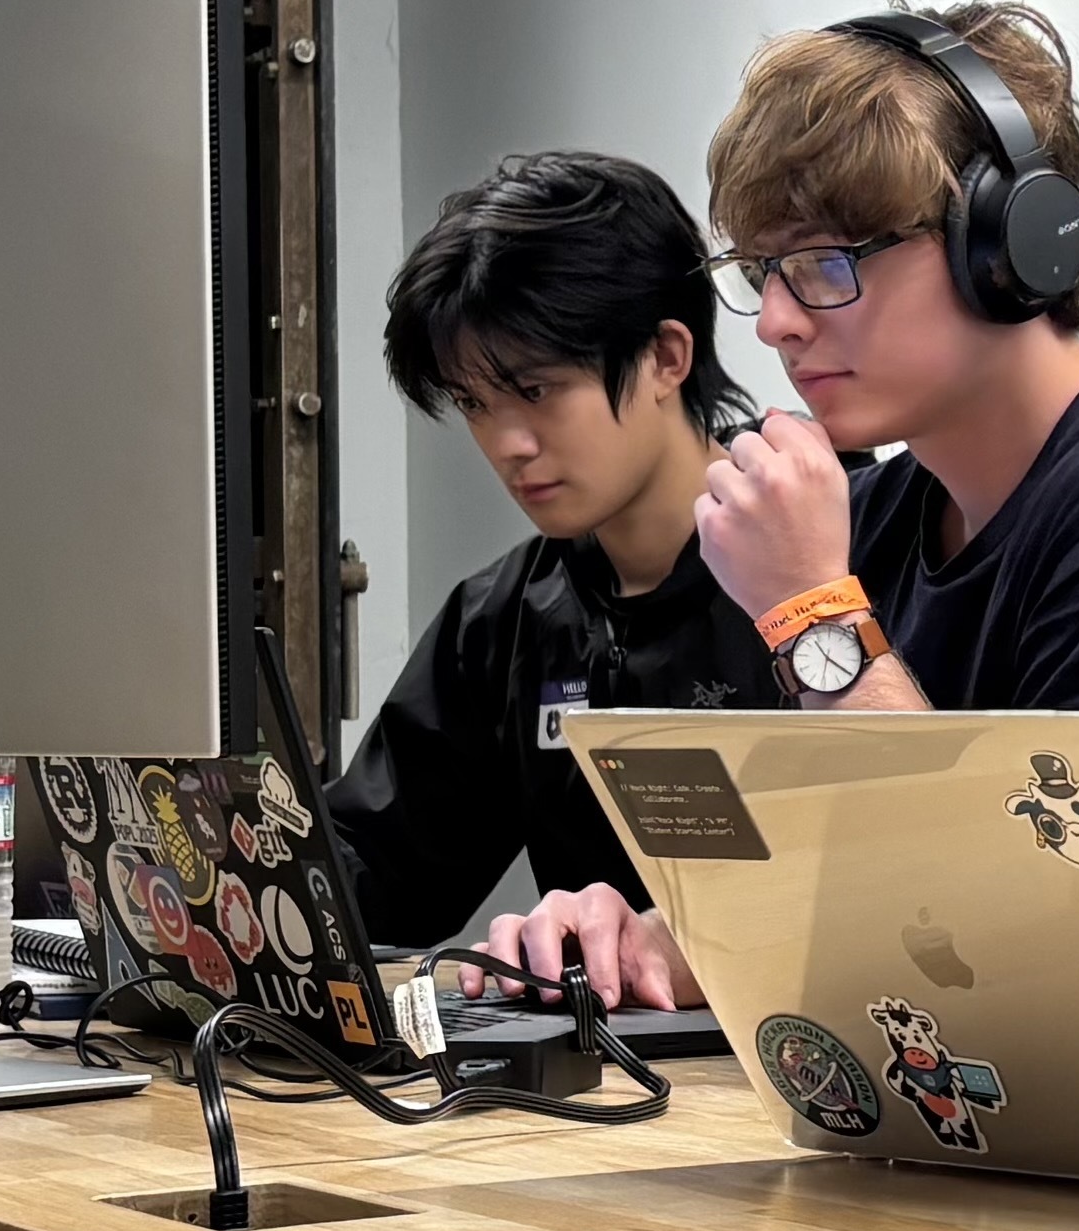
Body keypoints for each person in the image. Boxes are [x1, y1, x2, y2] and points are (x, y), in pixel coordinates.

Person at [472, 1, 1079, 1010]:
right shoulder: (882, 513)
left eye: (827, 265)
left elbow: (1072, 942)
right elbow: (838, 901)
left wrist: (814, 613)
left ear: (1008, 247)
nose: (782, 323)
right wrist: (643, 939)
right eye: (765, 274)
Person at [330, 151, 777, 944]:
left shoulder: (833, 551)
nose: (507, 443)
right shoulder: (505, 615)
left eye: (536, 390)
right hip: (601, 1064)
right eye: (473, 402)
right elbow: (371, 877)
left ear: (666, 357)